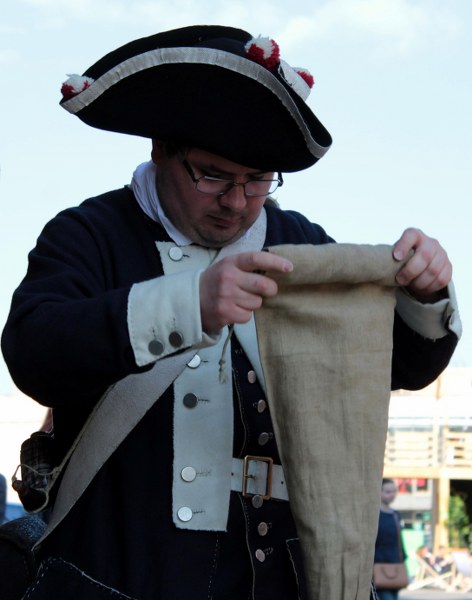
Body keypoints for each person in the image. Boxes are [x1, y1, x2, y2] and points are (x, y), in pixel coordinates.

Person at [0, 25, 461, 600]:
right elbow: (35, 352)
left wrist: (425, 292)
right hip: (118, 571)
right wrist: (188, 305)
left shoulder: (299, 240)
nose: (238, 201)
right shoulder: (89, 233)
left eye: (258, 179)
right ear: (161, 149)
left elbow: (396, 365)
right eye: (213, 175)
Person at [374, 479, 408, 600]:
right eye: (388, 491)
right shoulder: (374, 515)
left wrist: (403, 560)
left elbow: (399, 541)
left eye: (394, 491)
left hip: (395, 565)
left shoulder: (396, 514)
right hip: (378, 565)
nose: (392, 494)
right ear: (379, 492)